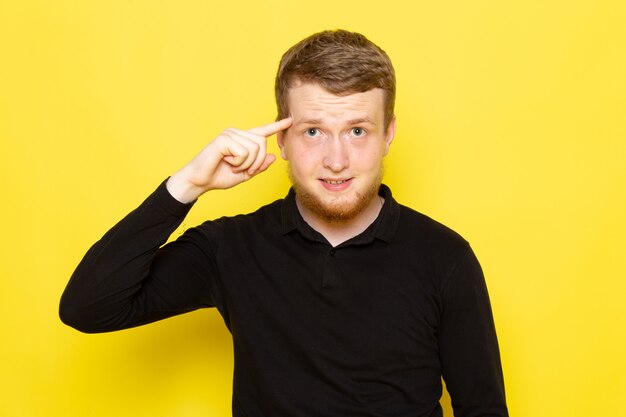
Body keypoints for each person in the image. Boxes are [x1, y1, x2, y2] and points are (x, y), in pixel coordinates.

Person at [60, 29, 509, 417]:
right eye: (313, 131)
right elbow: (89, 307)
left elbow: (483, 409)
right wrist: (188, 183)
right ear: (283, 137)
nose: (336, 161)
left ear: (387, 134)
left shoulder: (445, 258)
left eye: (357, 131)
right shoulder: (231, 248)